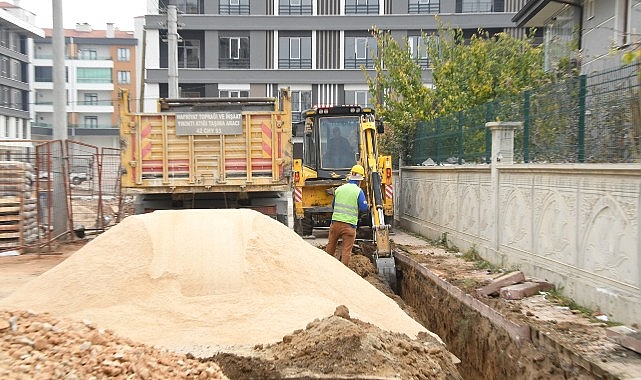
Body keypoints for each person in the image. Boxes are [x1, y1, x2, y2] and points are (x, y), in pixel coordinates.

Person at [325, 164, 368, 266]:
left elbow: (333, 205)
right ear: (360, 179)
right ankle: (344, 274)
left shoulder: (339, 189)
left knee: (330, 246)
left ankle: (326, 267)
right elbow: (363, 208)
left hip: (335, 224)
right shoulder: (358, 191)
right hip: (349, 226)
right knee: (346, 251)